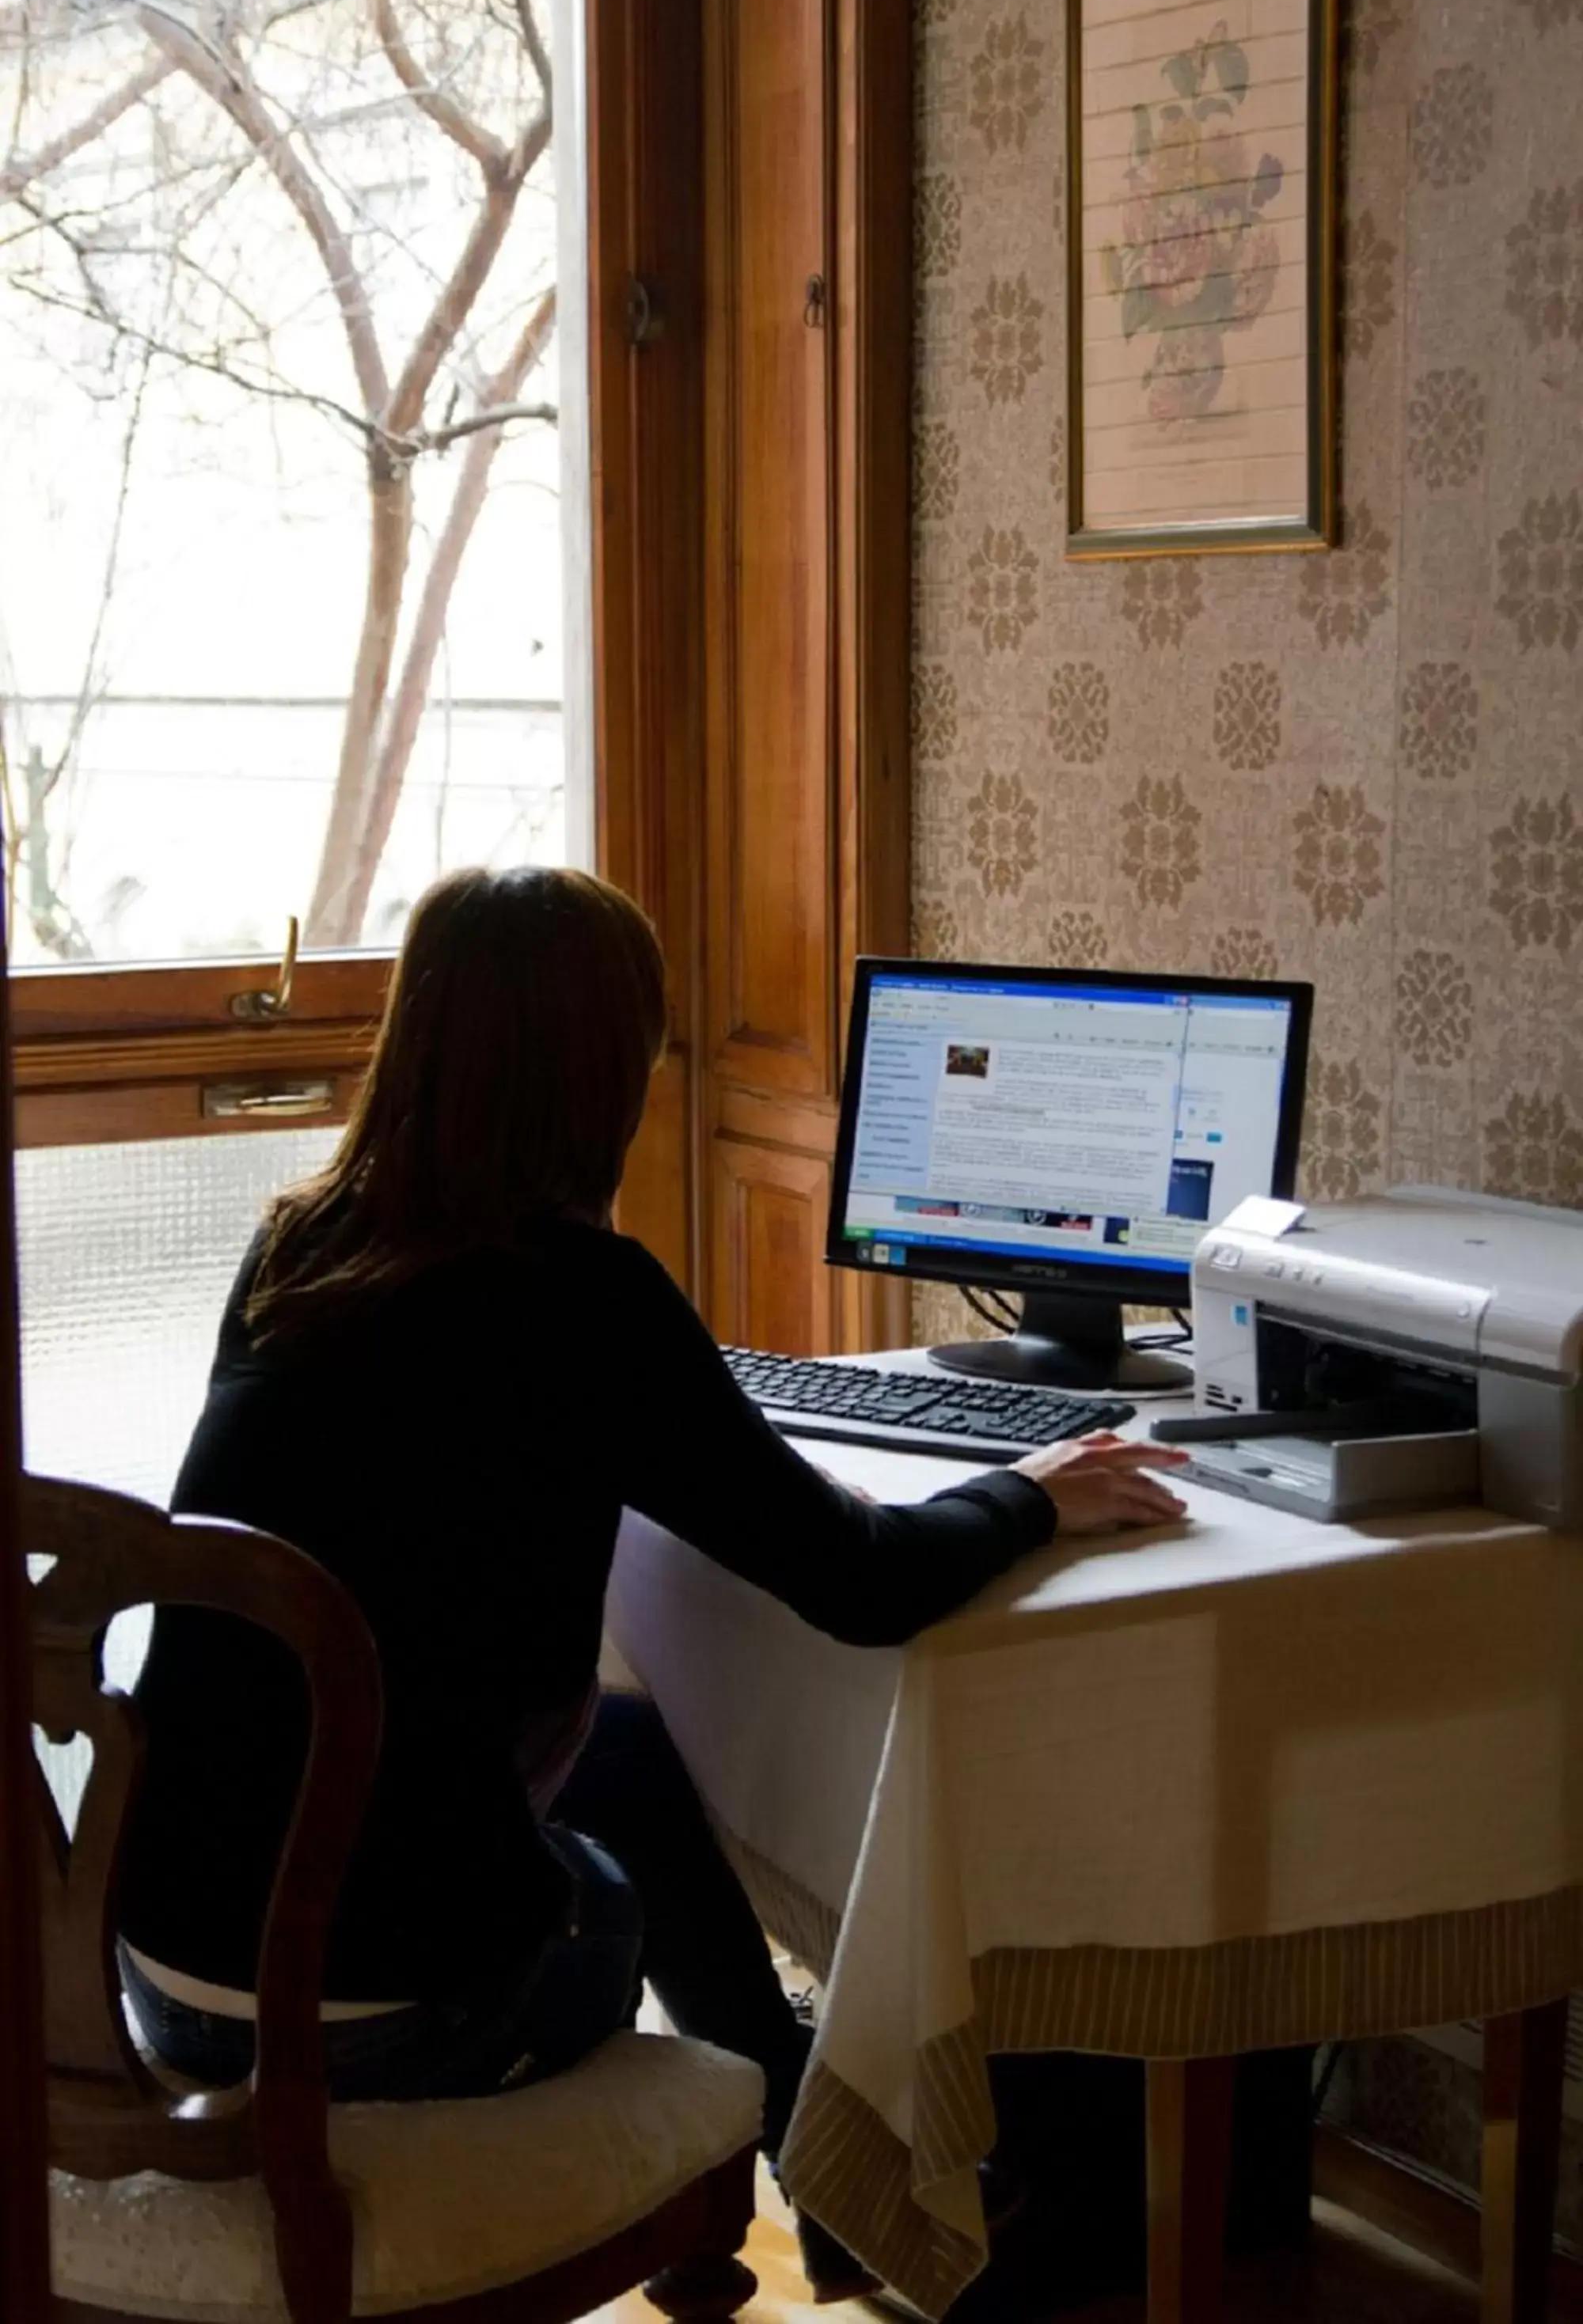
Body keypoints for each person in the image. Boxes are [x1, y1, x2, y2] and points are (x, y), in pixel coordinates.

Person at [117, 866, 1186, 2279]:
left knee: (628, 1752)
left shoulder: (296, 1247)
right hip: (373, 2011)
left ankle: (821, 2185)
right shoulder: (584, 1297)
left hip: (161, 1975)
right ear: (606, 1069)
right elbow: (858, 1583)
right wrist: (1030, 1495)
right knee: (608, 1893)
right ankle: (808, 2178)